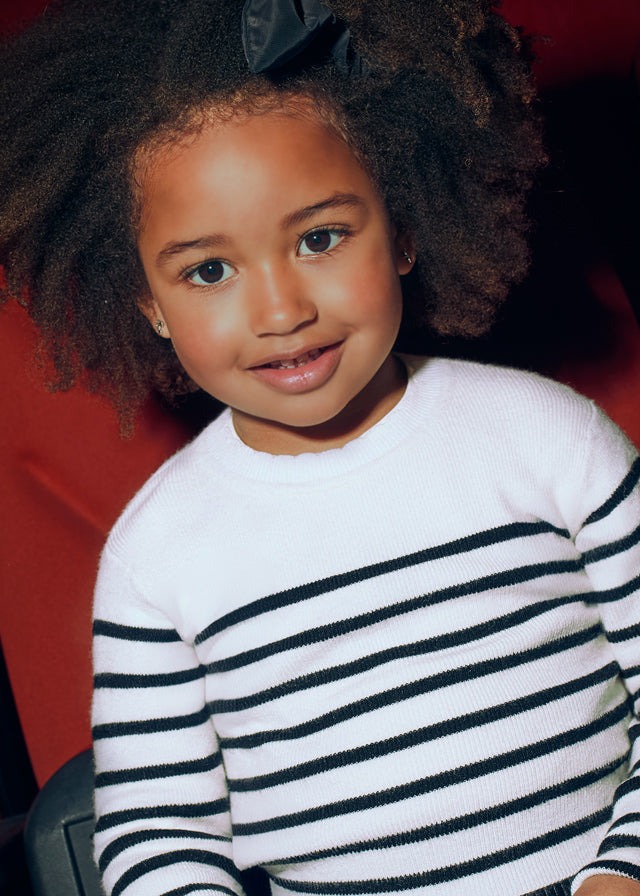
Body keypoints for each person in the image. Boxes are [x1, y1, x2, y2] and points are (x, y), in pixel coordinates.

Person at [1, 1, 639, 894]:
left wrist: (622, 868)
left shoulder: (549, 437)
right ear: (149, 303)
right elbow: (156, 830)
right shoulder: (155, 555)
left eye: (320, 238)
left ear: (404, 230)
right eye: (209, 271)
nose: (280, 311)